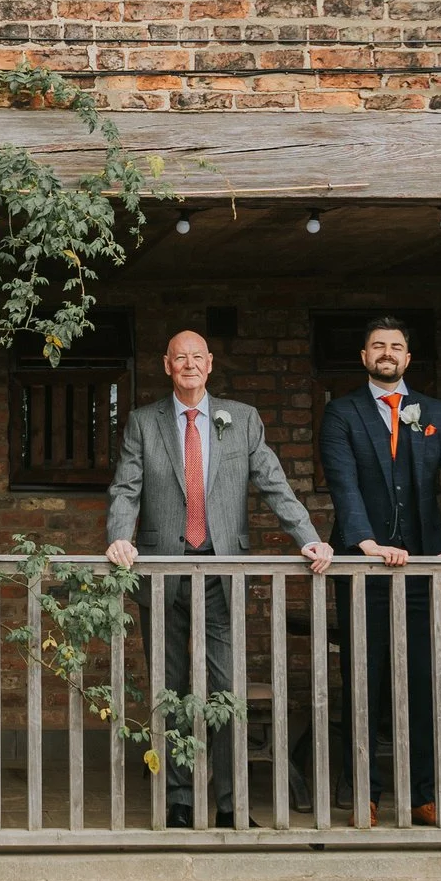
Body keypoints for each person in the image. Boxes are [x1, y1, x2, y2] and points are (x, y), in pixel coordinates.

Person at [105, 329, 330, 829]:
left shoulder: (242, 419)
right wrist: (120, 537)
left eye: (197, 357)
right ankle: (180, 800)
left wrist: (307, 537)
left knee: (227, 690)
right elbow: (126, 488)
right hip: (163, 572)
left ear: (210, 364)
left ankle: (231, 803)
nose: (188, 364)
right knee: (171, 685)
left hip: (221, 573)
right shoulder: (144, 422)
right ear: (167, 365)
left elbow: (274, 482)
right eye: (179, 357)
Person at [319, 316, 441, 826]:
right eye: (378, 346)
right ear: (365, 356)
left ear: (408, 359)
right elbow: (341, 481)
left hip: (422, 566)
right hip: (361, 567)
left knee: (424, 681)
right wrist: (362, 541)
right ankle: (364, 796)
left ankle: (424, 797)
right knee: (362, 680)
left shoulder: (435, 412)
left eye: (396, 347)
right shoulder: (341, 413)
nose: (387, 353)